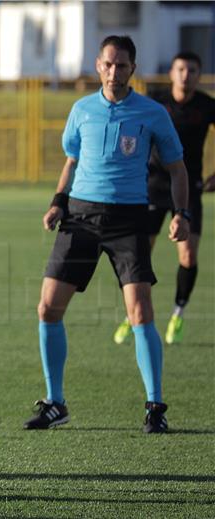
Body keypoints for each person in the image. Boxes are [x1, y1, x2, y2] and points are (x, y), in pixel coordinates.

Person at [24, 36, 190, 434]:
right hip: (80, 216)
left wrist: (181, 213)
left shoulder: (152, 113)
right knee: (48, 308)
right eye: (109, 64)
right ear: (98, 65)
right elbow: (72, 160)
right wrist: (57, 202)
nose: (115, 72)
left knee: (140, 311)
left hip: (127, 220)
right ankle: (55, 403)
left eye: (123, 66)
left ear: (133, 69)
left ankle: (154, 406)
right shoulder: (81, 110)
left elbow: (178, 169)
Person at [113, 51, 215, 346]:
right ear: (171, 73)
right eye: (181, 69)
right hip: (152, 185)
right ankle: (132, 313)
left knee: (188, 256)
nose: (186, 75)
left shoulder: (207, 106)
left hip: (189, 187)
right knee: (139, 253)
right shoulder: (154, 101)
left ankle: (177, 314)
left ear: (199, 74)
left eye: (192, 70)